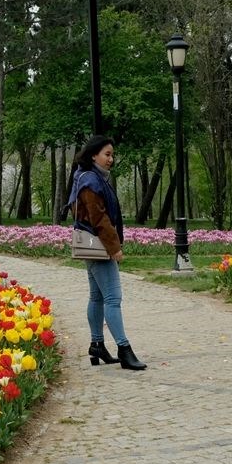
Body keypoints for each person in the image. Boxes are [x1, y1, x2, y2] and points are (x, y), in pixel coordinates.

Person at [68, 134, 146, 371]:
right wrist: (115, 248)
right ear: (94, 155)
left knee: (97, 297)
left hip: (91, 245)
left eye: (112, 155)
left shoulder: (86, 177)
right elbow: (99, 218)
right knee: (113, 298)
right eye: (107, 154)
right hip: (99, 246)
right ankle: (124, 349)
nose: (111, 159)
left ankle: (97, 345)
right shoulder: (91, 181)